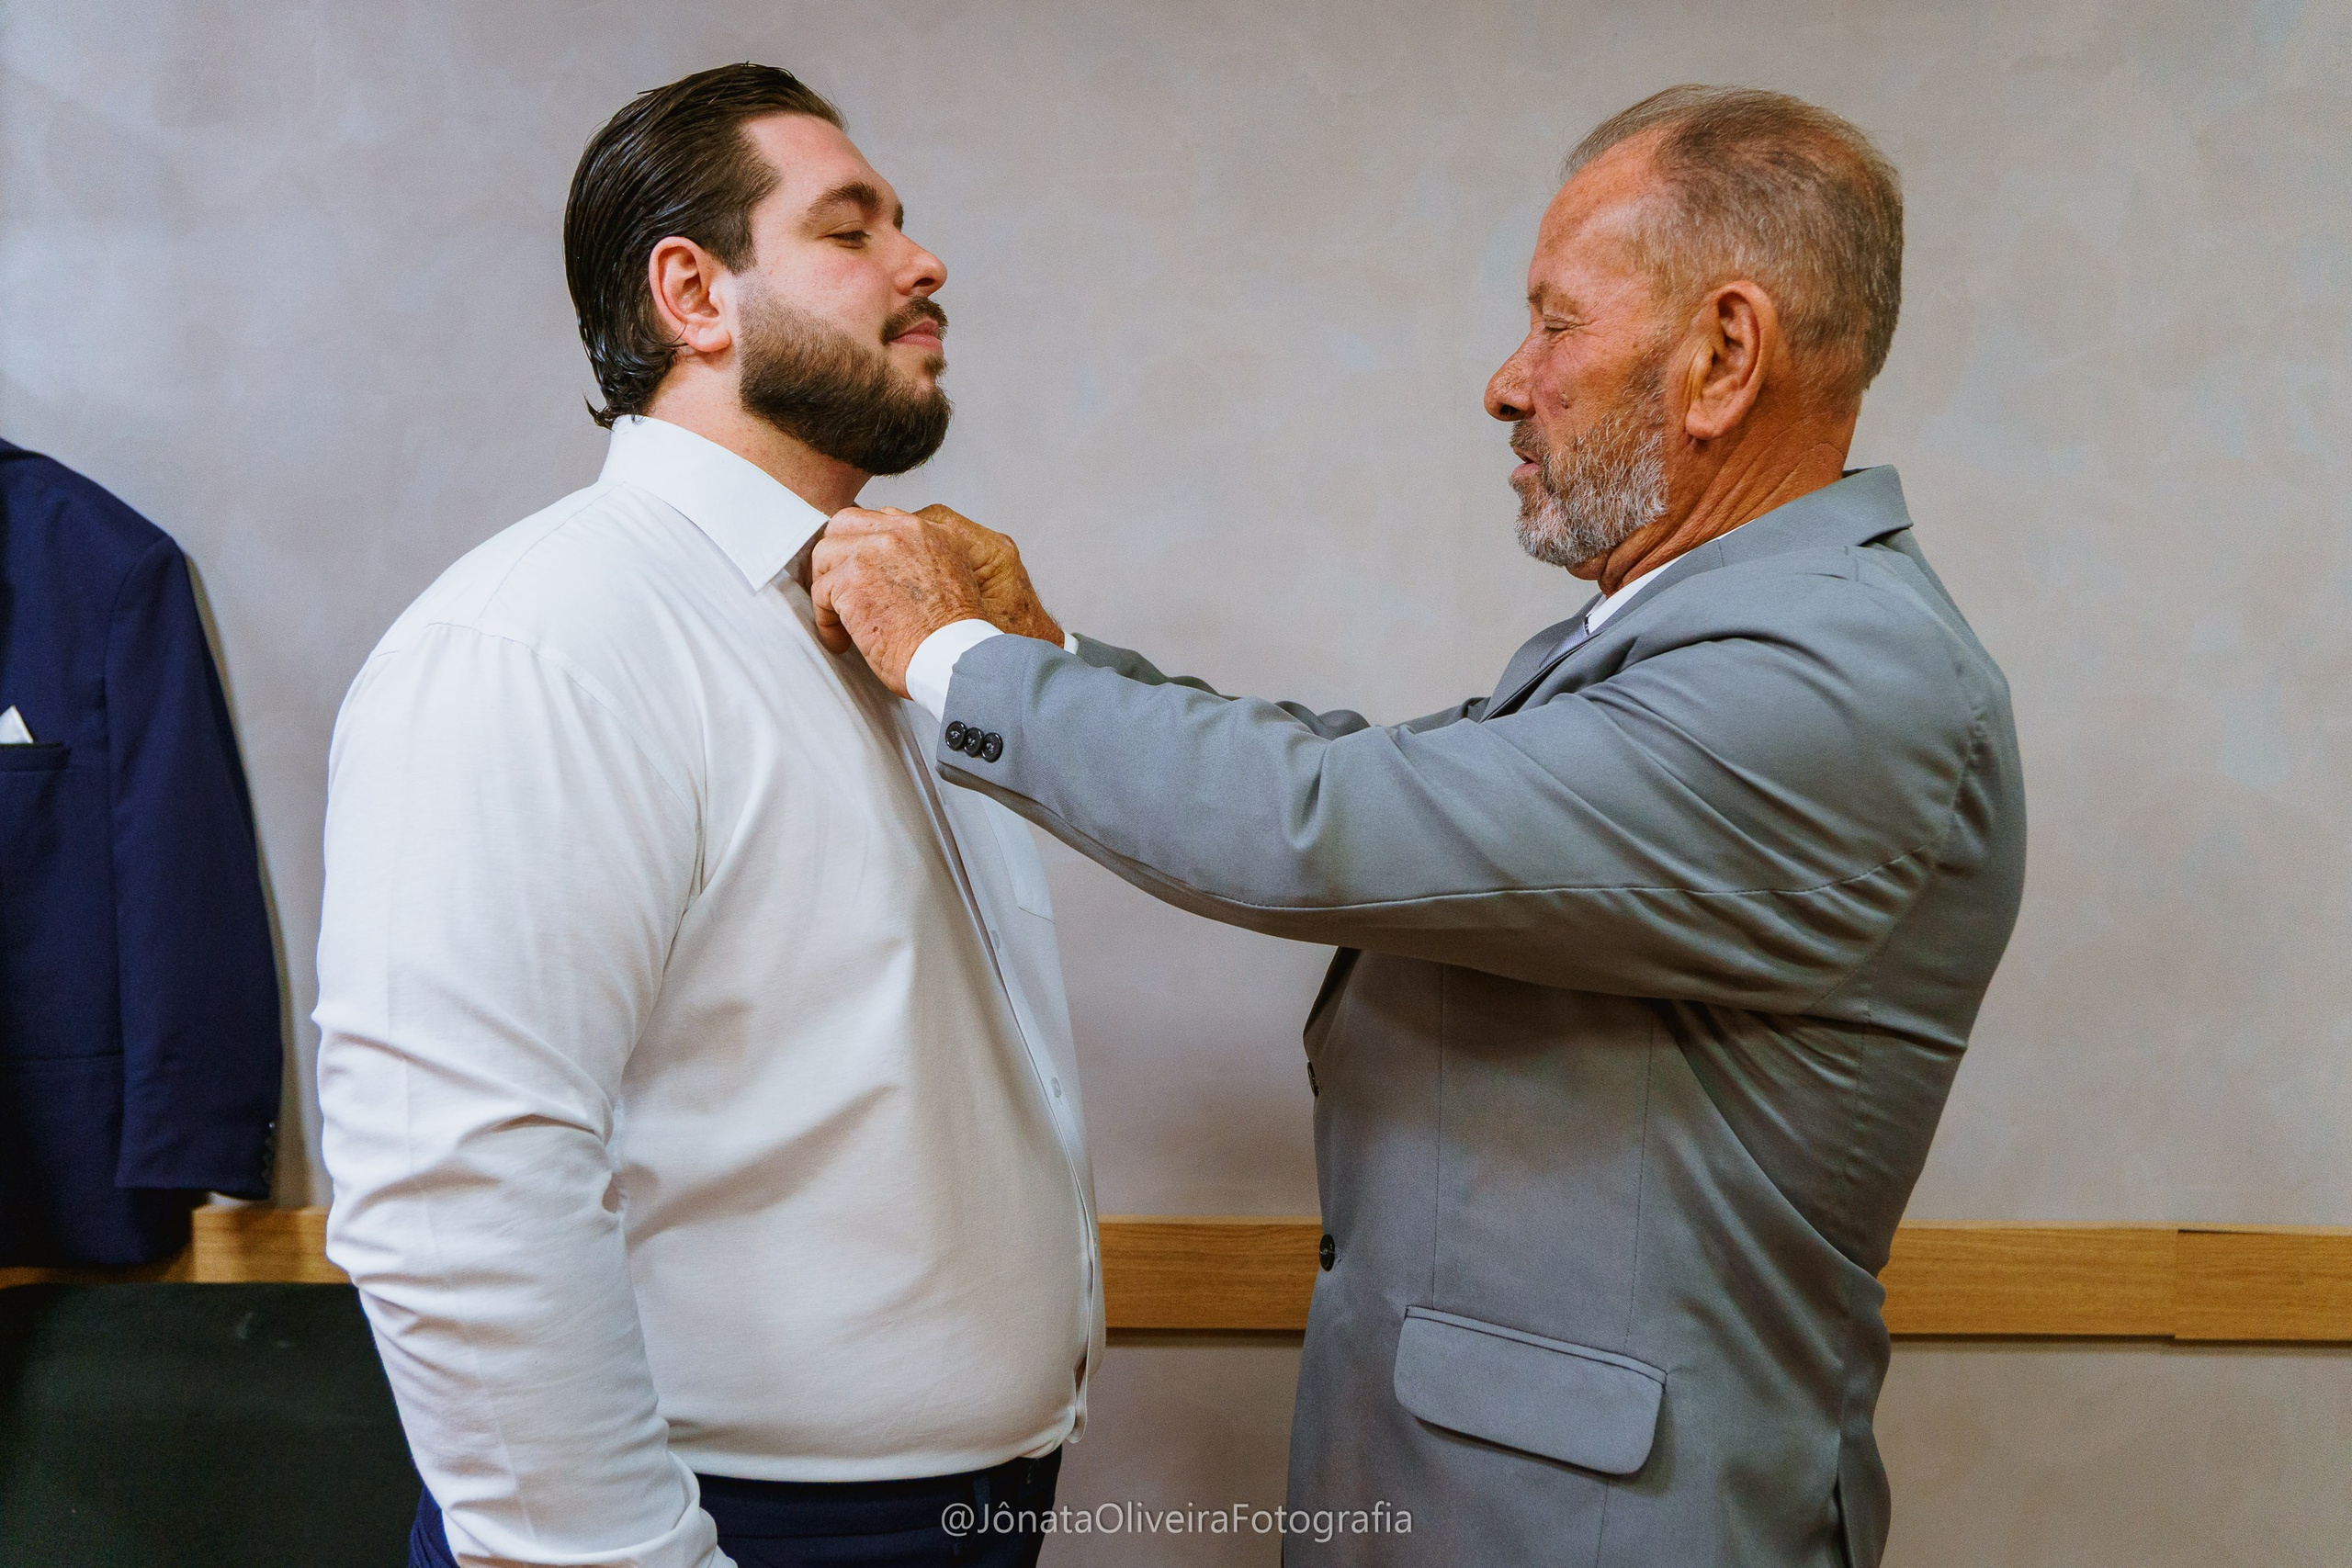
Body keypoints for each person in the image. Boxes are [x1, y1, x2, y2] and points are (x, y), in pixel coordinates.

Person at [810, 85, 2028, 1567]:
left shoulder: (1841, 674)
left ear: (1722, 355)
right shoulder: (1706, 632)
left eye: (1555, 322)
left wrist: (951, 660)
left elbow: (1330, 823)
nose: (1507, 383)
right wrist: (1051, 659)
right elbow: (1366, 775)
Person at [315, 65, 1098, 1568]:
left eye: (906, 227)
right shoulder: (541, 637)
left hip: (971, 1511)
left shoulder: (914, 621)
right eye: (850, 229)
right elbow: (455, 1179)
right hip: (721, 1531)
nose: (923, 263)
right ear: (693, 294)